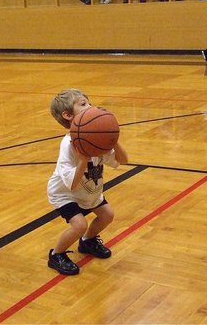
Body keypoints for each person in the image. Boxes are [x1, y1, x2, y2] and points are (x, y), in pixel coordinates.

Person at [47, 89, 128, 276]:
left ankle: (87, 241)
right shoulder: (68, 145)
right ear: (68, 115)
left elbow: (122, 161)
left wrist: (114, 139)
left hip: (89, 190)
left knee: (107, 215)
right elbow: (72, 185)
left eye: (89, 103)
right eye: (83, 104)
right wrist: (83, 159)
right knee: (79, 224)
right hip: (65, 193)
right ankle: (56, 255)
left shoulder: (97, 138)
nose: (90, 107)